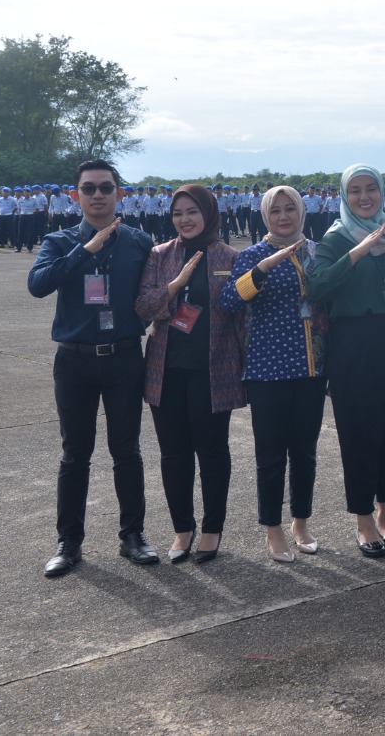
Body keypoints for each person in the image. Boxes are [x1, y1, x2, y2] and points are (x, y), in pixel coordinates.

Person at [28, 160, 158, 577]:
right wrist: (86, 250)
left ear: (120, 193)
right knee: (74, 454)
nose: (98, 195)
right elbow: (38, 285)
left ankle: (133, 535)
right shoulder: (58, 241)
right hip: (75, 360)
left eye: (106, 187)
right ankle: (69, 542)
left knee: (127, 450)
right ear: (75, 196)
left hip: (123, 357)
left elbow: (154, 294)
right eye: (89, 189)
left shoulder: (140, 243)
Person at [309, 163, 385, 558]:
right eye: (356, 190)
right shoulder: (335, 238)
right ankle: (363, 520)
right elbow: (317, 286)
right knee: (360, 433)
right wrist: (357, 253)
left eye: (371, 189)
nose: (364, 197)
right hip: (356, 344)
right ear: (344, 196)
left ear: (382, 193)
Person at [134, 185, 245, 564]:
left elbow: (240, 316)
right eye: (178, 212)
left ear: (209, 213)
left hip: (215, 371)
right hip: (167, 371)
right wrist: (176, 284)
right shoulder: (159, 255)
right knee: (174, 454)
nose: (185, 219)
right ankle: (183, 528)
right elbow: (143, 307)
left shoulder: (230, 256)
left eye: (192, 211)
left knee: (213, 453)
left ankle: (212, 529)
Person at [219, 186, 328, 563]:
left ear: (301, 211)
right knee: (270, 455)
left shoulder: (317, 251)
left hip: (310, 368)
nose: (284, 217)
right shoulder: (252, 254)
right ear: (265, 216)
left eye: (290, 209)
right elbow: (230, 300)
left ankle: (301, 522)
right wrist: (262, 269)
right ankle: (273, 528)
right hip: (268, 370)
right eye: (276, 211)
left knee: (305, 452)